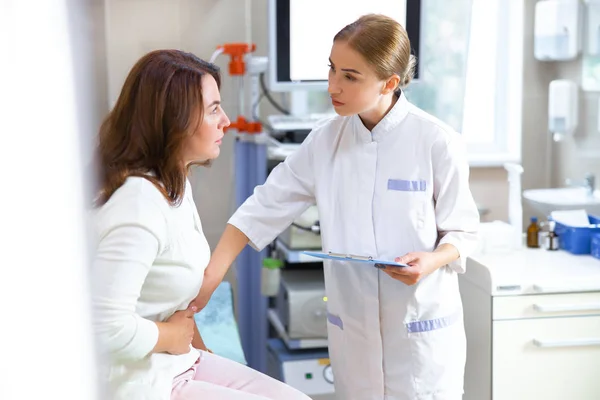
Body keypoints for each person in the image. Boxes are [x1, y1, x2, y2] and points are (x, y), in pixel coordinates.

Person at [194, 14, 480, 400]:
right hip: (355, 343)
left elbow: (463, 232)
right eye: (331, 69)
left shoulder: (436, 141)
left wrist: (429, 261)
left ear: (390, 82)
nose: (332, 86)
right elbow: (263, 206)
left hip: (419, 338)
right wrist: (210, 278)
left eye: (350, 76)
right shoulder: (324, 141)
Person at [91, 49, 310, 400]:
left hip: (175, 362)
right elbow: (103, 327)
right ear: (174, 120)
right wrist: (170, 337)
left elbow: (176, 308)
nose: (226, 120)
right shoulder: (138, 206)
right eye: (213, 110)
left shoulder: (173, 183)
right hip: (141, 382)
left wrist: (201, 353)